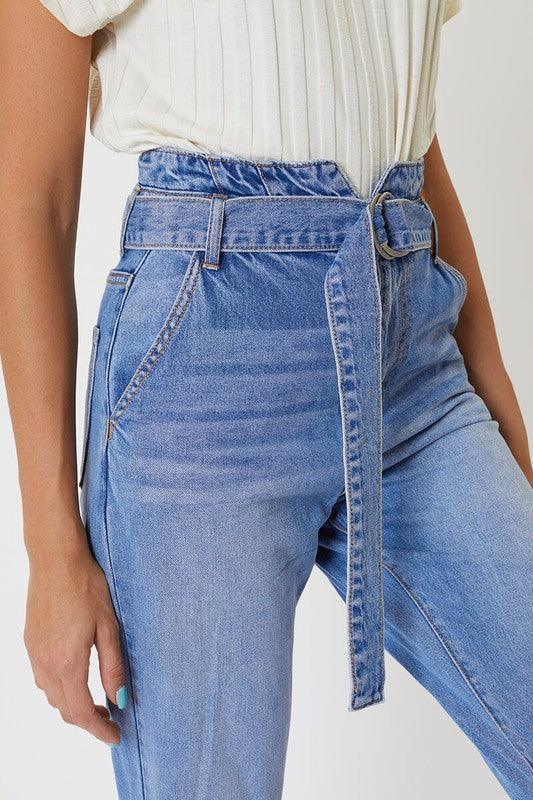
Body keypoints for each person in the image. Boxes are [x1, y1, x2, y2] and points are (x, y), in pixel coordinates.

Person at [0, 1, 531, 798]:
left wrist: (496, 408)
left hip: (410, 363)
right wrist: (51, 549)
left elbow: (396, 122)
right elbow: (27, 200)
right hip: (205, 379)